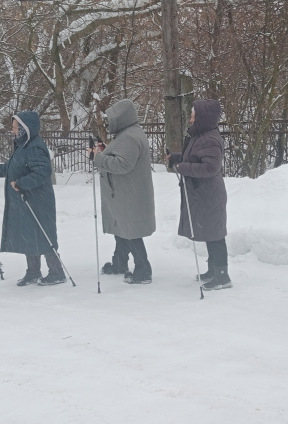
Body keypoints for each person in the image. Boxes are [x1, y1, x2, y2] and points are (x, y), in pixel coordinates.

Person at [0, 111, 65, 287]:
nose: (13, 131)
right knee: (29, 234)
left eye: (15, 128)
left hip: (38, 201)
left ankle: (57, 273)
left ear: (26, 128)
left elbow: (42, 172)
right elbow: (10, 168)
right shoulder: (23, 146)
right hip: (27, 200)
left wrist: (21, 183)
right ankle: (33, 272)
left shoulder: (34, 147)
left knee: (44, 234)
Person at [166, 99, 230, 290]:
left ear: (204, 117)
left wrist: (183, 167)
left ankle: (222, 277)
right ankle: (213, 270)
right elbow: (195, 157)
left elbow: (210, 167)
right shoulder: (200, 136)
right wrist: (177, 157)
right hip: (202, 193)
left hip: (209, 195)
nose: (191, 118)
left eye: (194, 115)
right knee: (210, 232)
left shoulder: (209, 139)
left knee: (215, 235)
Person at [90, 99, 156, 284]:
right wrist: (105, 151)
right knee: (122, 228)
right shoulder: (128, 133)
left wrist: (98, 158)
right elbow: (122, 155)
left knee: (131, 231)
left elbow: (123, 164)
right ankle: (119, 263)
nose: (108, 122)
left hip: (129, 193)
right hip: (125, 192)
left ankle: (143, 270)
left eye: (111, 119)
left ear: (121, 118)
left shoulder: (129, 137)